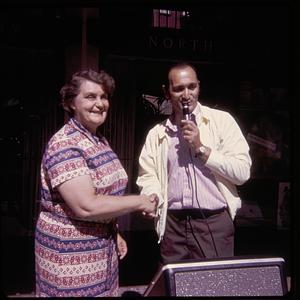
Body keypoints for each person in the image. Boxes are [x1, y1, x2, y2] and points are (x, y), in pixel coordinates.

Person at [34, 69, 157, 297]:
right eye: (90, 97)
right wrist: (139, 202)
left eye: (104, 97)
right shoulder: (66, 144)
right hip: (70, 259)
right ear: (71, 103)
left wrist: (113, 228)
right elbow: (86, 205)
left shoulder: (97, 139)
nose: (100, 104)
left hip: (101, 251)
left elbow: (104, 193)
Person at [136, 62, 252, 265]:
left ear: (199, 86)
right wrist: (152, 196)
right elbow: (149, 175)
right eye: (179, 88)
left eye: (192, 87)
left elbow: (242, 173)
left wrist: (201, 149)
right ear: (167, 92)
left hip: (214, 222)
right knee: (176, 285)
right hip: (173, 225)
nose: (186, 94)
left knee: (214, 286)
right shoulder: (157, 134)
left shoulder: (222, 122)